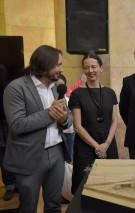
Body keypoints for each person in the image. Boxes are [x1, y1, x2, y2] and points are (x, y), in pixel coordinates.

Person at [3, 45, 72, 213]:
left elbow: (68, 119)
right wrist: (50, 114)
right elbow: (17, 124)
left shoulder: (57, 88)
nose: (61, 69)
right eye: (58, 65)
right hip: (29, 156)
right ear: (44, 64)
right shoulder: (16, 87)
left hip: (56, 153)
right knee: (28, 206)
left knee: (54, 204)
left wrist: (63, 119)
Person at [68, 51, 119, 194]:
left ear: (101, 68)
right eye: (86, 68)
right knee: (85, 188)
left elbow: (115, 121)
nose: (90, 71)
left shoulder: (110, 92)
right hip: (86, 148)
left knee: (111, 187)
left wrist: (106, 144)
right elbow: (77, 126)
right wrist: (98, 147)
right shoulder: (77, 94)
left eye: (94, 67)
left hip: (108, 145)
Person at [0, 64, 17, 201]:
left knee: (17, 153)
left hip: (13, 124)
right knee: (3, 158)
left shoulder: (11, 87)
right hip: (1, 127)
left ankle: (19, 183)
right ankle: (10, 186)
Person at [57, 74, 75, 161]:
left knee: (69, 158)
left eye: (61, 86)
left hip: (69, 133)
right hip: (57, 134)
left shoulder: (69, 99)